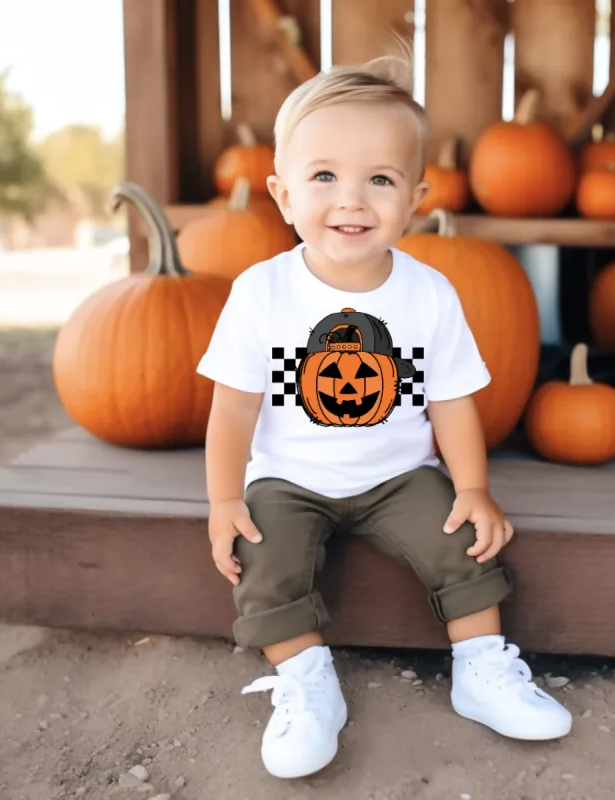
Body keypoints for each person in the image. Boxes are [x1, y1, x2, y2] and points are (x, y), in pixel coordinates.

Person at [196, 50, 572, 780]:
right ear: (282, 193)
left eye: (380, 179)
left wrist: (471, 486)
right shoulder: (260, 292)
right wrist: (221, 499)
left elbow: (451, 400)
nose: (352, 200)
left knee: (462, 542)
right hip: (289, 478)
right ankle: (308, 685)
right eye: (325, 176)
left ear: (417, 196)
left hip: (401, 474)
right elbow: (234, 407)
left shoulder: (429, 293)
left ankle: (481, 669)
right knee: (262, 555)